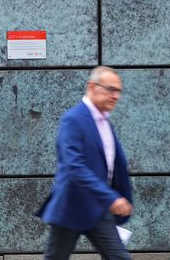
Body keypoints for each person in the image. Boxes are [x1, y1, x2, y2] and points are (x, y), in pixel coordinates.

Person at [37, 66, 133, 260]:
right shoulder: (73, 120)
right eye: (110, 89)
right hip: (72, 205)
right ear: (92, 86)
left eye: (118, 91)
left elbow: (114, 166)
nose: (115, 96)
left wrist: (118, 196)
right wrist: (111, 197)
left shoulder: (104, 121)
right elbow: (74, 166)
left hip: (98, 207)